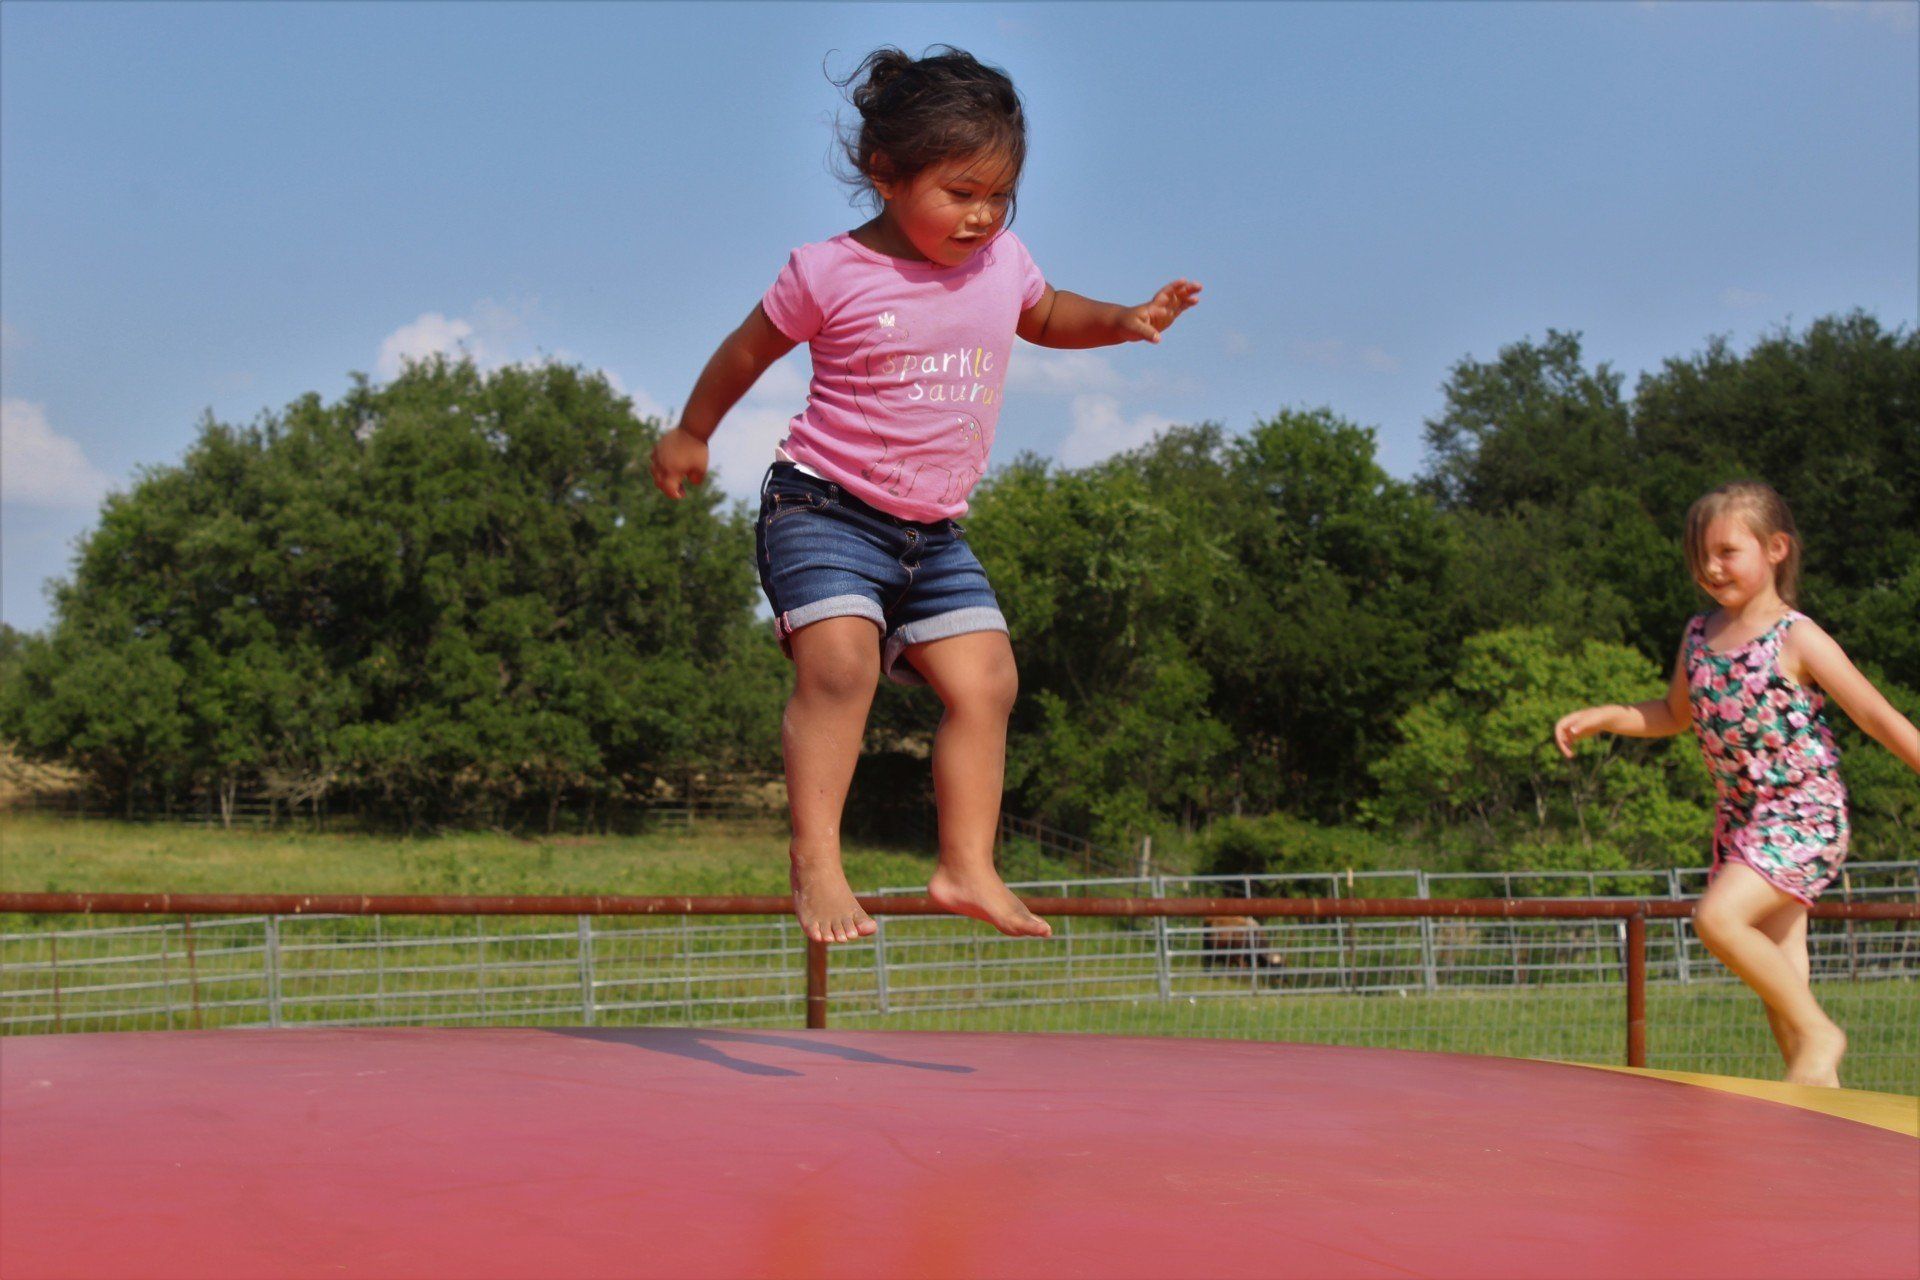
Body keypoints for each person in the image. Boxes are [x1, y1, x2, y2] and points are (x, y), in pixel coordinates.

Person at [650, 46, 1201, 944]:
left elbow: (1047, 313)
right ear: (886, 173)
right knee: (842, 666)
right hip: (824, 507)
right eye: (961, 192)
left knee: (989, 682)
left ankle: (966, 866)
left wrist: (1124, 321)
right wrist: (691, 431)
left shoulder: (1001, 261)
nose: (983, 215)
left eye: (1001, 195)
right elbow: (747, 350)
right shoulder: (828, 272)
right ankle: (817, 861)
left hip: (933, 533)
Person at [1553, 480, 1920, 1087]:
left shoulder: (1796, 636)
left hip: (1804, 814)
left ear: (1776, 549)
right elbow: (1673, 714)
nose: (1711, 567)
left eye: (1727, 552)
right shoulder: (1699, 635)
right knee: (1783, 982)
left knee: (1718, 920)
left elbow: (1875, 715)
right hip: (1743, 821)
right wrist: (1608, 716)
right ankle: (1819, 1100)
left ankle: (1823, 1034)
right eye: (1700, 556)